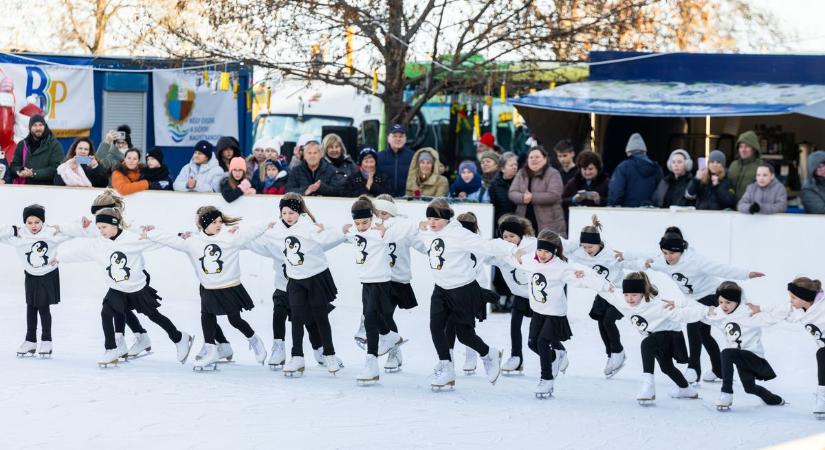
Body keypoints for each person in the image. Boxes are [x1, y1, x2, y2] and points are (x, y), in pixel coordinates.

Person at [54, 207, 193, 367]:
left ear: (115, 224)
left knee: (154, 315)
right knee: (106, 312)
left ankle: (179, 337)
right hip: (117, 289)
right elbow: (80, 252)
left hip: (137, 289)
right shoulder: (99, 244)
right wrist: (60, 258)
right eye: (99, 228)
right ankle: (111, 349)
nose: (101, 231)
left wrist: (178, 236)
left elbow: (157, 242)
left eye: (104, 227)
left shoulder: (132, 239)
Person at [627, 226, 764, 384]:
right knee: (704, 335)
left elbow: (721, 269)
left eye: (672, 253)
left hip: (712, 295)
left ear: (681, 249)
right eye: (665, 253)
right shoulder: (660, 260)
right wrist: (622, 256)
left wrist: (746, 274)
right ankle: (718, 370)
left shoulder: (695, 260)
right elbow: (642, 256)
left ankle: (694, 368)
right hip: (694, 299)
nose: (668, 257)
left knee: (693, 326)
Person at [142, 207, 271, 370]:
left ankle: (254, 339)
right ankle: (210, 348)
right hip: (209, 288)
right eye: (214, 222)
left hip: (230, 287)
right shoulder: (193, 241)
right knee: (207, 316)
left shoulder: (231, 237)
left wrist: (268, 223)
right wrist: (151, 233)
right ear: (204, 225)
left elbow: (251, 232)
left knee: (235, 320)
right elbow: (169, 239)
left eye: (219, 221)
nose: (218, 225)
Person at [415, 199, 514, 390]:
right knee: (436, 328)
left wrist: (511, 249)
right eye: (429, 218)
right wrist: (420, 225)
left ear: (446, 218)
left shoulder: (459, 234)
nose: (432, 222)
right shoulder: (430, 231)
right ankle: (447, 367)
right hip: (441, 289)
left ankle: (488, 353)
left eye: (436, 219)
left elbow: (487, 246)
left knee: (464, 335)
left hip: (462, 290)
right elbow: (416, 229)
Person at [257, 193, 346, 376]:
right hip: (295, 281)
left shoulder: (309, 227)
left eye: (291, 212)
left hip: (315, 278)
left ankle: (329, 354)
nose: (288, 216)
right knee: (296, 318)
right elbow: (258, 239)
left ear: (299, 212)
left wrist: (336, 229)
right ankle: (297, 357)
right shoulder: (278, 230)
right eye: (284, 213)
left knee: (320, 317)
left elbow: (329, 237)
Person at [589, 272, 707, 405]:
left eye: (634, 295)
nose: (630, 298)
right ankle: (686, 389)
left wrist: (706, 311)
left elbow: (683, 315)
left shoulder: (657, 305)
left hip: (670, 334)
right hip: (654, 336)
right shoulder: (622, 301)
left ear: (643, 293)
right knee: (667, 367)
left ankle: (648, 387)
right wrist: (582, 276)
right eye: (627, 294)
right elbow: (603, 290)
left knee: (646, 344)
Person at [509, 230, 601, 398]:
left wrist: (583, 276)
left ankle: (547, 380)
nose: (542, 254)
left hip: (555, 313)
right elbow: (517, 259)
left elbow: (577, 278)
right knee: (532, 344)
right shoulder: (530, 259)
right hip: (538, 311)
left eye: (547, 251)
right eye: (540, 250)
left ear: (554, 251)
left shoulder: (561, 266)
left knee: (543, 342)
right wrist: (514, 252)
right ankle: (557, 355)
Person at [342, 197, 408, 384]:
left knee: (370, 317)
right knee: (371, 318)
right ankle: (388, 337)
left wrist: (384, 228)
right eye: (358, 223)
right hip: (366, 283)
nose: (361, 226)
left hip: (381, 282)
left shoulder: (381, 232)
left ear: (372, 217)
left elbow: (398, 230)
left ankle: (372, 361)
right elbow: (349, 234)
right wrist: (345, 229)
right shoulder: (356, 231)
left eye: (365, 222)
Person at [702, 282, 785, 410]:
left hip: (754, 356)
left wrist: (762, 307)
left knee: (726, 353)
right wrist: (680, 306)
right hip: (739, 357)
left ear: (737, 301)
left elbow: (780, 311)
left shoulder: (750, 313)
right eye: (721, 302)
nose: (724, 306)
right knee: (749, 388)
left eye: (728, 302)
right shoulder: (721, 316)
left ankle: (726, 392)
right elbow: (697, 314)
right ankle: (775, 399)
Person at [564, 216, 630, 378]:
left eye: (590, 246)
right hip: (602, 292)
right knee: (601, 320)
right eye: (584, 246)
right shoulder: (580, 253)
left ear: (599, 243)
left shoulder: (610, 254)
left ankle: (618, 351)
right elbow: (564, 249)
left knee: (608, 320)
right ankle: (612, 355)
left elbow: (630, 262)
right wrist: (579, 240)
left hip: (620, 292)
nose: (588, 250)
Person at [1, 205, 68, 357]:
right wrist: (12, 230)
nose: (33, 226)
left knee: (43, 307)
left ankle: (46, 340)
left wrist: (65, 227)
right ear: (25, 223)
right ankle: (30, 340)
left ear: (43, 222)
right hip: (31, 275)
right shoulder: (19, 236)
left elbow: (75, 232)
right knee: (31, 306)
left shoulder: (51, 233)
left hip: (48, 274)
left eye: (37, 222)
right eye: (29, 222)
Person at [372, 195, 419, 372]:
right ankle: (393, 350)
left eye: (384, 212)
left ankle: (393, 350)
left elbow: (422, 244)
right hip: (380, 278)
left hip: (398, 279)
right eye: (378, 213)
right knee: (383, 314)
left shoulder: (404, 228)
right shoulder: (373, 227)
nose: (381, 216)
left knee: (386, 315)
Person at [488, 214, 536, 374]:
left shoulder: (533, 247)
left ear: (520, 235)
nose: (508, 239)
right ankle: (516, 357)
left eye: (512, 236)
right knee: (515, 325)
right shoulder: (502, 253)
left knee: (540, 333)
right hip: (520, 296)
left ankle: (557, 351)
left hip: (538, 298)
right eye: (505, 236)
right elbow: (486, 256)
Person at [784, 277, 825, 417]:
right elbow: (781, 311)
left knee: (822, 353)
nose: (791, 301)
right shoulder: (800, 310)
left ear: (805, 297)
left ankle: (822, 395)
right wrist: (760, 309)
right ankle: (822, 395)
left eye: (793, 297)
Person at [508, 146, 566, 236]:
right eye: (531, 157)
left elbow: (554, 195)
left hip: (549, 222)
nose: (533, 159)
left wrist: (532, 197)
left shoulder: (553, 173)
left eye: (537, 157)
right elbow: (512, 193)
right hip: (524, 221)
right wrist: (522, 197)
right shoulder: (521, 173)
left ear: (545, 159)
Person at [607, 133, 663, 207]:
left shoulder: (623, 167)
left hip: (628, 213)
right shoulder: (656, 168)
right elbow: (661, 193)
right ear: (645, 152)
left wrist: (611, 205)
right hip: (651, 213)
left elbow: (616, 192)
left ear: (628, 152)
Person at [10, 114, 63, 186]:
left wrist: (33, 173)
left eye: (40, 125)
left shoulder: (54, 145)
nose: (38, 128)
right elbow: (13, 166)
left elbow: (56, 169)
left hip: (47, 190)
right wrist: (20, 171)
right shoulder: (22, 144)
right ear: (30, 127)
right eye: (34, 125)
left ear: (45, 126)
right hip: (24, 189)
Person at [377, 124, 415, 197]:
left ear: (405, 139)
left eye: (401, 136)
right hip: (385, 200)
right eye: (394, 136)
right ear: (388, 138)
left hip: (407, 201)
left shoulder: (413, 156)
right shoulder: (379, 157)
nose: (398, 139)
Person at [728, 131, 764, 200]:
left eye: (747, 147)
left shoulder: (761, 166)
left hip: (750, 208)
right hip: (732, 209)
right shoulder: (733, 165)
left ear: (754, 149)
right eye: (741, 147)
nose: (743, 150)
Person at [488, 152, 519, 228]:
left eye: (515, 165)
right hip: (502, 225)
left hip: (519, 223)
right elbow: (493, 208)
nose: (514, 167)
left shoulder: (521, 182)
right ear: (502, 168)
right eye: (511, 165)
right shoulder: (494, 185)